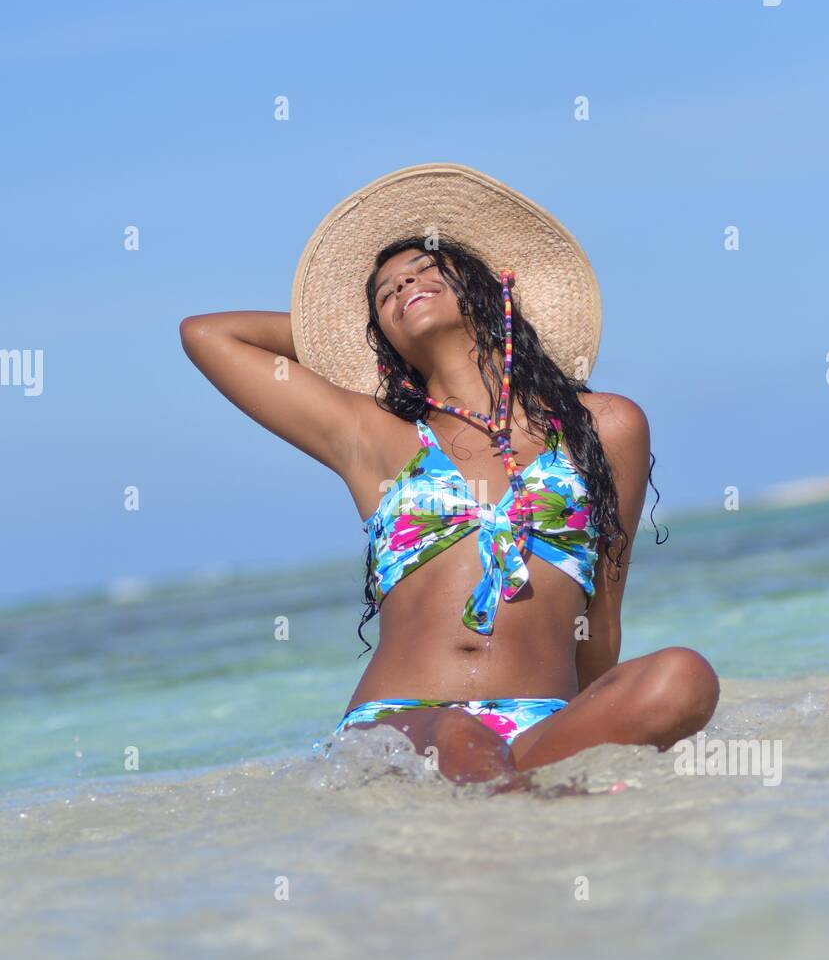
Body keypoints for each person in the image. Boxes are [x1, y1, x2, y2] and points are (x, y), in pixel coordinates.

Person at [180, 163, 719, 787]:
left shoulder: (606, 427)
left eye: (426, 266)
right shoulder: (373, 436)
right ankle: (530, 801)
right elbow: (208, 335)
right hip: (404, 727)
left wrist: (599, 729)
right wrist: (358, 348)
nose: (403, 281)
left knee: (683, 676)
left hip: (541, 723)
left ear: (495, 287)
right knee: (462, 737)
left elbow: (601, 614)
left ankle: (517, 793)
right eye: (384, 292)